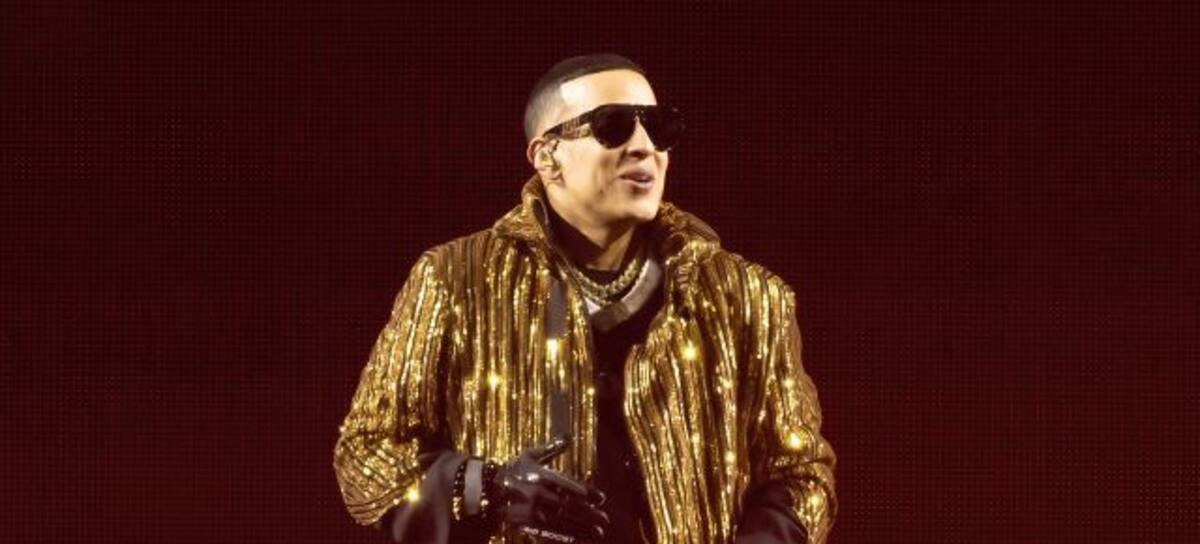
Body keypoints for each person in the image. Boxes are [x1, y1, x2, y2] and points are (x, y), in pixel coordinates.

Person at [333, 53, 837, 543]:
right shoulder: (454, 280)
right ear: (547, 157)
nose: (645, 147)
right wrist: (486, 488)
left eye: (658, 128)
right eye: (612, 126)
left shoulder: (746, 296)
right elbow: (366, 453)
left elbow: (801, 473)